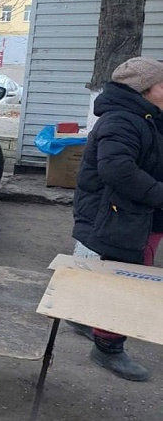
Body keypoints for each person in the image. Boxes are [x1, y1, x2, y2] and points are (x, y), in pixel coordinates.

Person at [71, 56, 163, 382]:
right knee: (126, 278)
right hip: (122, 216)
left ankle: (81, 316)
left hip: (133, 214)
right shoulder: (123, 121)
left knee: (107, 270)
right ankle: (108, 348)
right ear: (146, 89)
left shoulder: (147, 116)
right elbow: (116, 169)